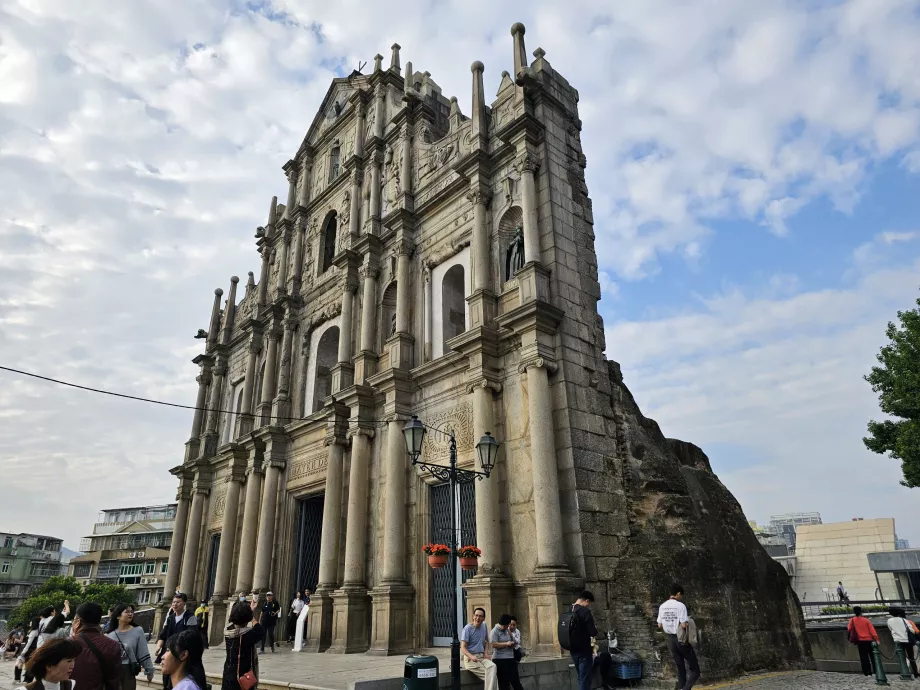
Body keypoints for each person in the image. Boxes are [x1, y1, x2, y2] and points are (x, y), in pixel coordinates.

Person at [70, 602, 121, 690]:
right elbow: (114, 679)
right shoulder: (113, 645)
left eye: (73, 620)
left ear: (78, 621)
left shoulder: (67, 643)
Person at [657, 585, 700, 690]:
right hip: (681, 639)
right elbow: (684, 625)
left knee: (680, 669)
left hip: (671, 640)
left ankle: (681, 687)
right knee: (695, 670)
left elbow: (659, 625)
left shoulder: (662, 606)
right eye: (681, 595)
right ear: (678, 594)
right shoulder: (680, 606)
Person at [106, 604, 155, 690]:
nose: (130, 614)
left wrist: (149, 670)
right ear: (118, 616)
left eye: (132, 612)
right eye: (127, 612)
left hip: (128, 671)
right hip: (112, 671)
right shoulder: (109, 634)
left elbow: (143, 652)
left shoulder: (137, 630)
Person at [155, 594, 198, 690]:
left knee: (178, 679)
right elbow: (163, 635)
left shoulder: (190, 617)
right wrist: (159, 647)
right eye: (174, 602)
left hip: (181, 655)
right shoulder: (170, 618)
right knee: (166, 679)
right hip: (169, 653)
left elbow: (192, 636)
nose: (175, 604)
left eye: (178, 602)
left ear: (184, 603)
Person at [222, 599, 263, 690]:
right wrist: (251, 616)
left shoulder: (228, 631)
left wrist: (248, 611)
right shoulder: (246, 635)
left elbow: (236, 618)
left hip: (228, 673)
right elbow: (260, 631)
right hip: (242, 676)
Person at [16, 637, 83, 690]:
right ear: (49, 666)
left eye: (74, 660)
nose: (73, 665)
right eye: (69, 661)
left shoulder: (70, 685)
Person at [568, 591, 599, 690]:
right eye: (589, 603)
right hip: (584, 650)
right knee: (585, 679)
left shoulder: (569, 609)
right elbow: (592, 632)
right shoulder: (585, 612)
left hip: (573, 649)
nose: (588, 605)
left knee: (581, 677)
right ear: (586, 600)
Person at [460, 607, 497, 690]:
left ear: (484, 618)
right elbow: (462, 647)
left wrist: (486, 653)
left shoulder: (484, 625)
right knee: (490, 675)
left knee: (493, 667)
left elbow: (487, 641)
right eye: (476, 615)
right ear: (473, 616)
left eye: (480, 616)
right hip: (471, 659)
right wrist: (471, 656)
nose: (478, 618)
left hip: (481, 657)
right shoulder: (467, 629)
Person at [489, 614, 523, 690]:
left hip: (510, 658)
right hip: (500, 659)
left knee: (516, 682)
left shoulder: (507, 630)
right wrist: (506, 644)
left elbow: (515, 642)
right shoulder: (494, 631)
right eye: (503, 626)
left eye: (506, 626)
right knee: (503, 684)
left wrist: (512, 639)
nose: (504, 627)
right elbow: (494, 644)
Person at [887, 607, 919, 678]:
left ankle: (905, 673)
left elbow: (890, 629)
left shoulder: (889, 620)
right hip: (906, 640)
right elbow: (912, 630)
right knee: (911, 657)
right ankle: (915, 673)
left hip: (897, 641)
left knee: (901, 657)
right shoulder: (904, 620)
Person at [848, 606, 880, 676]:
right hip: (869, 640)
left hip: (860, 641)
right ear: (861, 611)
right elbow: (872, 630)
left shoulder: (852, 620)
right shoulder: (866, 620)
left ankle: (867, 672)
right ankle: (877, 670)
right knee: (873, 656)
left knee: (863, 657)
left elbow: (849, 628)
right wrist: (876, 639)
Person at [16, 618, 42, 683]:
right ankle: (22, 678)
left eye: (31, 621)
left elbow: (29, 643)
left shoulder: (34, 631)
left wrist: (24, 651)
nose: (30, 622)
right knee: (24, 664)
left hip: (30, 650)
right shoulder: (34, 630)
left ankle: (25, 679)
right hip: (31, 649)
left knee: (27, 664)